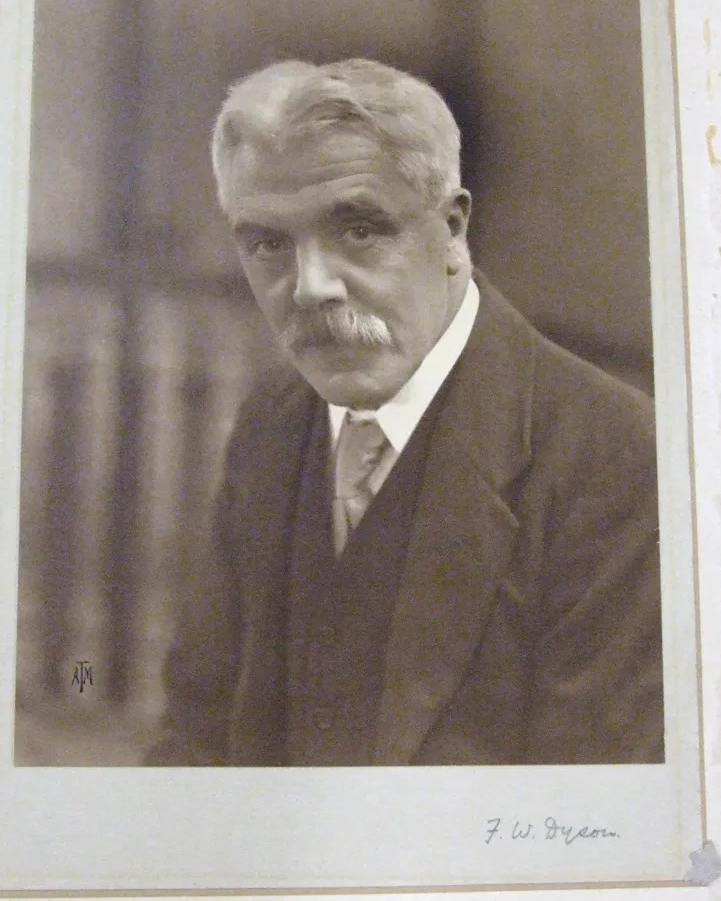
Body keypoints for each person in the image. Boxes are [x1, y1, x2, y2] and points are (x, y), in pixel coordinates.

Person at [146, 58, 664, 766]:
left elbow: (587, 818)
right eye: (268, 242)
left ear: (451, 229)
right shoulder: (270, 423)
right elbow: (194, 738)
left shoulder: (615, 456)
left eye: (357, 230)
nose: (311, 288)